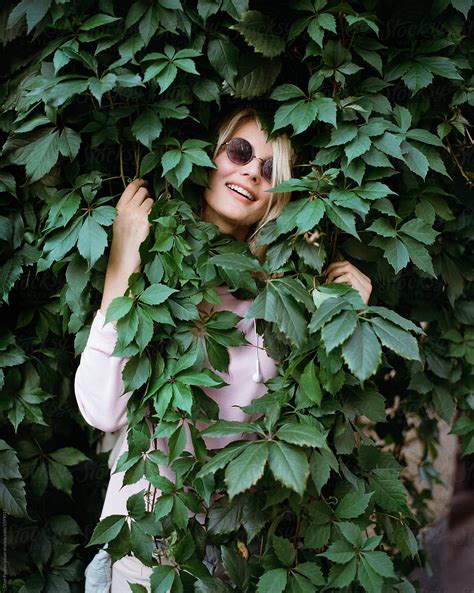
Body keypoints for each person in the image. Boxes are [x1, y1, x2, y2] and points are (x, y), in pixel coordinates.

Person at [75, 107, 372, 591]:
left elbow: (310, 409)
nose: (253, 170)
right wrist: (122, 262)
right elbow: (101, 411)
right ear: (208, 157)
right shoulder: (154, 266)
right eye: (240, 151)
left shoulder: (280, 295)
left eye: (271, 170)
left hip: (240, 552)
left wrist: (348, 320)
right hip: (146, 546)